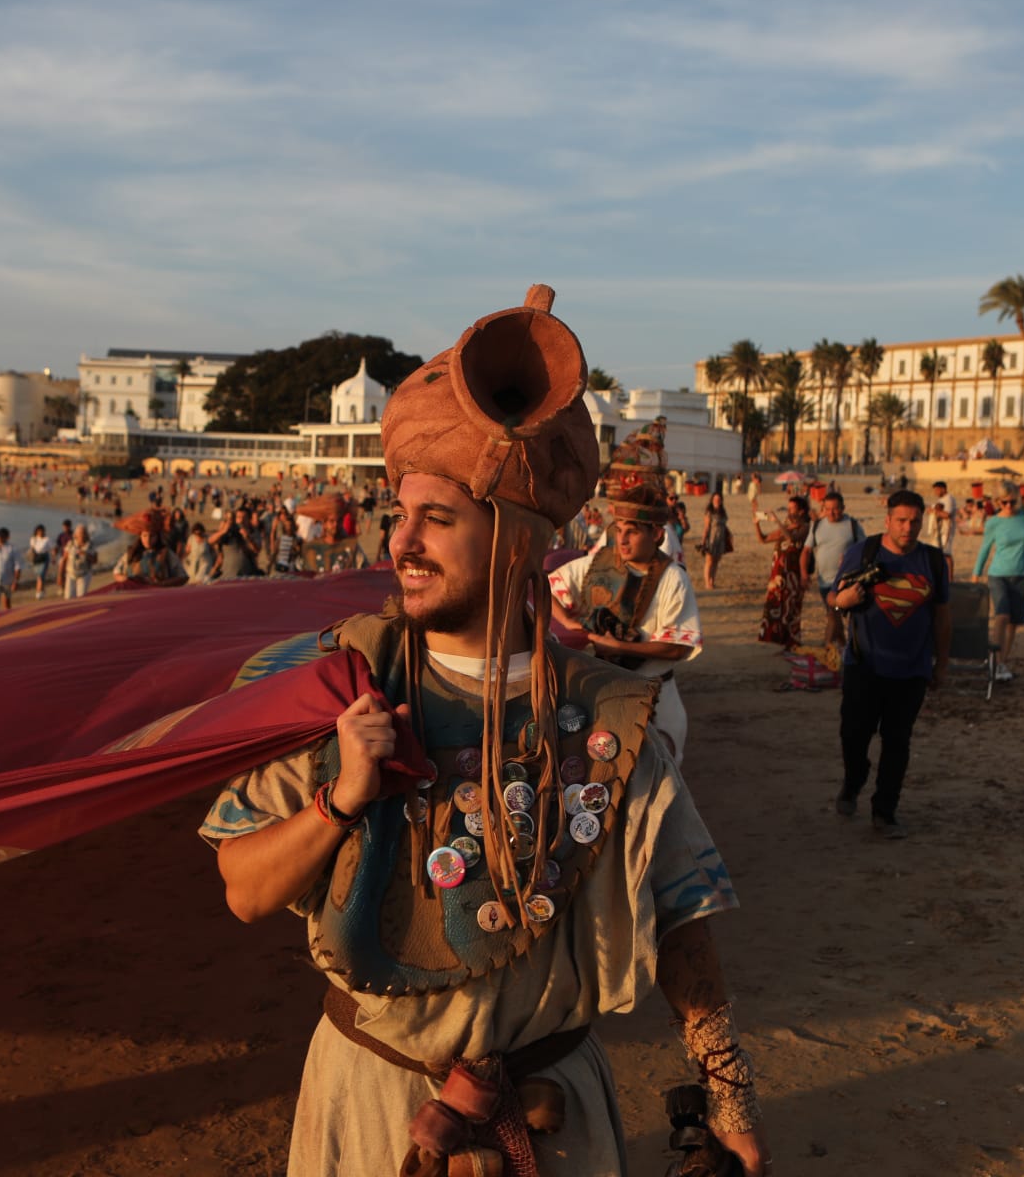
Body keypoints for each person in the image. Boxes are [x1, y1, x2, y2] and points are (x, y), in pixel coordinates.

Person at [199, 287, 767, 1175]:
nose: (402, 542)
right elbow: (242, 889)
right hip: (370, 1097)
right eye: (399, 514)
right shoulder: (341, 680)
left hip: (553, 1113)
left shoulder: (613, 716)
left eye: (437, 518)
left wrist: (728, 1098)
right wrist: (342, 799)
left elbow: (682, 916)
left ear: (515, 539)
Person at [549, 422, 703, 763]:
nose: (622, 540)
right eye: (618, 530)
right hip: (602, 695)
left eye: (632, 532)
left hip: (656, 696)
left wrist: (616, 645)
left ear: (658, 535)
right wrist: (572, 626)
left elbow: (677, 647)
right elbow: (547, 588)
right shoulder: (599, 561)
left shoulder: (672, 577)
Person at [829, 489, 951, 838]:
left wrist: (941, 664)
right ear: (887, 520)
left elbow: (943, 617)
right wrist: (843, 601)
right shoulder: (863, 552)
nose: (908, 528)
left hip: (912, 670)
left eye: (915, 521)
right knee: (853, 735)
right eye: (901, 520)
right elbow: (834, 599)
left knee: (898, 742)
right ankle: (853, 781)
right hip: (864, 665)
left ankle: (885, 812)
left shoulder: (933, 561)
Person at [972, 489, 1024, 683]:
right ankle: (993, 659)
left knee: (1013, 622)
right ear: (998, 502)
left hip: (1023, 574)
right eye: (1004, 502)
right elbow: (985, 548)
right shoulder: (994, 522)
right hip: (998, 574)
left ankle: (1001, 662)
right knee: (1002, 615)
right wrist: (976, 574)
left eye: (1012, 501)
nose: (1009, 506)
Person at [801, 492, 863, 649]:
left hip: (847, 581)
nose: (831, 512)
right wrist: (804, 574)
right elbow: (806, 551)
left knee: (835, 614)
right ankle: (843, 646)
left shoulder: (852, 525)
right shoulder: (817, 525)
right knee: (834, 614)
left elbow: (865, 551)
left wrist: (851, 559)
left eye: (835, 509)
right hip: (825, 581)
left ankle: (828, 644)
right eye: (827, 509)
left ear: (843, 508)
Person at [754, 495, 809, 647]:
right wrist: (757, 524)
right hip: (778, 573)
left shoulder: (805, 527)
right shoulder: (787, 525)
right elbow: (763, 539)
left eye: (792, 508)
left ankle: (789, 641)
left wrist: (777, 521)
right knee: (774, 606)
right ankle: (773, 638)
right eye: (789, 508)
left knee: (790, 608)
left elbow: (792, 539)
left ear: (801, 511)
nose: (790, 511)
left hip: (793, 574)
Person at [113, 512, 189, 586]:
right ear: (140, 536)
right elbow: (117, 572)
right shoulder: (132, 552)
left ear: (157, 536)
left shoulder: (166, 554)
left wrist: (160, 584)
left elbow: (183, 577)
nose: (148, 540)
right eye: (145, 536)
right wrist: (127, 580)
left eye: (152, 536)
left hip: (158, 596)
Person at [211, 510, 260, 580]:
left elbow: (256, 551)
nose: (241, 520)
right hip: (227, 574)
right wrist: (223, 531)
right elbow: (211, 541)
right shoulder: (226, 533)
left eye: (244, 518)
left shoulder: (251, 532)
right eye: (239, 517)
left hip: (246, 574)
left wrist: (248, 538)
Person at [922, 480, 957, 577]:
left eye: (937, 490)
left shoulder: (949, 499)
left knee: (946, 553)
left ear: (943, 489)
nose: (935, 492)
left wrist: (933, 511)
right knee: (939, 552)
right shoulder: (941, 500)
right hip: (939, 530)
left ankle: (950, 577)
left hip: (947, 529)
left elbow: (947, 514)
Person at [698, 493, 732, 591]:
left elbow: (724, 525)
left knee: (716, 561)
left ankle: (712, 581)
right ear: (712, 500)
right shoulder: (709, 512)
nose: (717, 501)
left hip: (720, 538)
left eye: (719, 499)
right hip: (712, 539)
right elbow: (706, 527)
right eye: (715, 499)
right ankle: (707, 582)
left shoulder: (722, 512)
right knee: (709, 561)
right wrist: (703, 541)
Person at [63, 527, 97, 599]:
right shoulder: (71, 544)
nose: (82, 535)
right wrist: (60, 575)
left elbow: (95, 560)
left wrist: (85, 554)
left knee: (81, 597)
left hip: (84, 574)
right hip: (70, 573)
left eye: (84, 533)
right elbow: (64, 559)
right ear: (76, 535)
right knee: (68, 597)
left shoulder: (90, 545)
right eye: (80, 533)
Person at [28, 524, 53, 599]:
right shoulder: (34, 539)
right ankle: (42, 590)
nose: (41, 532)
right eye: (39, 531)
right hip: (37, 558)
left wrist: (54, 557)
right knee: (39, 575)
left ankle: (38, 592)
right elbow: (32, 549)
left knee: (41, 575)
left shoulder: (47, 539)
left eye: (42, 531)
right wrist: (32, 557)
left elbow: (52, 548)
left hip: (44, 557)